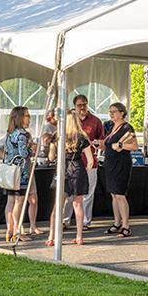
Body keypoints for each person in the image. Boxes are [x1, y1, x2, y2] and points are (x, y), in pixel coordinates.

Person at [47, 110, 94, 246]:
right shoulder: (82, 137)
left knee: (58, 205)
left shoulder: (57, 136)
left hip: (62, 170)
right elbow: (90, 161)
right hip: (78, 170)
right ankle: (79, 236)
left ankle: (51, 236)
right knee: (78, 204)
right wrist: (84, 172)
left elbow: (51, 157)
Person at [63, 94, 104, 231]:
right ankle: (65, 221)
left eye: (84, 104)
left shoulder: (95, 121)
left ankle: (85, 222)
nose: (82, 107)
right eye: (80, 105)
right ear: (74, 106)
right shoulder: (68, 120)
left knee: (87, 195)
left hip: (89, 163)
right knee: (68, 195)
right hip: (70, 165)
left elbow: (103, 141)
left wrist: (97, 144)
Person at [2, 106, 40, 242]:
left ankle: (9, 229)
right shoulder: (22, 134)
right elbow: (23, 153)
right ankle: (18, 231)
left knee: (10, 201)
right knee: (19, 201)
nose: (29, 118)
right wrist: (32, 149)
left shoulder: (10, 133)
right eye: (27, 115)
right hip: (20, 171)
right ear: (20, 117)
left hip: (9, 170)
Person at [103, 102, 139, 238]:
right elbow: (107, 144)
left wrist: (120, 145)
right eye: (110, 111)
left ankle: (126, 226)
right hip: (110, 162)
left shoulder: (127, 128)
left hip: (121, 164)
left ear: (122, 113)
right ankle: (117, 222)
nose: (111, 114)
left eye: (114, 111)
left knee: (120, 194)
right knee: (113, 194)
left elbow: (135, 146)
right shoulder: (111, 126)